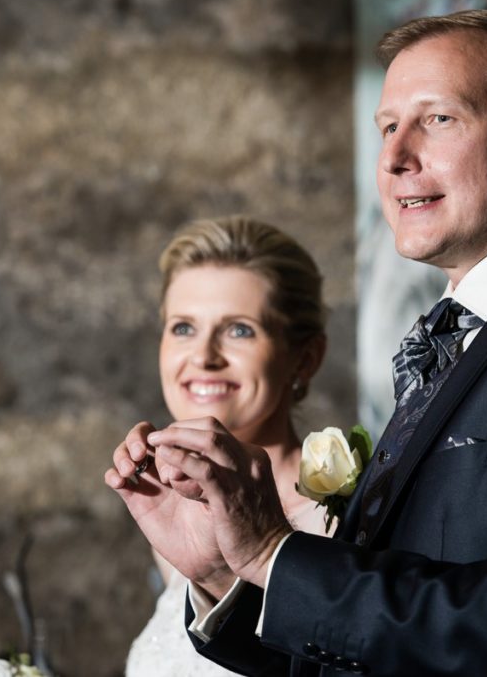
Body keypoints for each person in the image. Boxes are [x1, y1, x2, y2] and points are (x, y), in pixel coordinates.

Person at [107, 9, 487, 676]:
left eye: (438, 120)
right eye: (388, 127)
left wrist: (276, 555)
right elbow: (382, 651)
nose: (395, 159)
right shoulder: (459, 337)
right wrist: (228, 574)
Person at [119, 217, 331, 677]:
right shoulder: (178, 505)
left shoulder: (347, 517)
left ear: (305, 357)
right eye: (182, 328)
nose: (203, 357)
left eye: (239, 330)